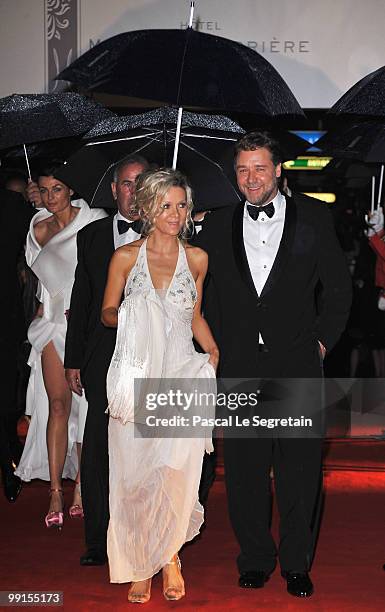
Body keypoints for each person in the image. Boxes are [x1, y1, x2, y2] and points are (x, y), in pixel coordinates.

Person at [194, 131, 352, 598]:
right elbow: (206, 296)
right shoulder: (217, 224)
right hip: (239, 364)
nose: (251, 178)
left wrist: (321, 344)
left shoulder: (315, 217)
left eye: (260, 167)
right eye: (242, 169)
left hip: (298, 362)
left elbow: (339, 291)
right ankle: (256, 559)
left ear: (279, 170)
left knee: (299, 471)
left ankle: (297, 563)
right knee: (244, 470)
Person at [101, 168, 218, 604]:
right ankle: (138, 562)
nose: (175, 213)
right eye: (166, 205)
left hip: (182, 374)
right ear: (148, 207)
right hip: (137, 374)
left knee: (175, 470)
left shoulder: (199, 258)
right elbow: (107, 313)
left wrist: (213, 352)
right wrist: (135, 309)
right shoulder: (126, 257)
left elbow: (195, 316)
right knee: (134, 473)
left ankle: (169, 555)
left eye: (181, 204)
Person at [64, 155, 149, 566]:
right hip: (101, 356)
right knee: (97, 447)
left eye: (141, 182)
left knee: (143, 448)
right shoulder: (93, 236)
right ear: (114, 190)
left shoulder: (166, 235)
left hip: (151, 357)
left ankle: (141, 532)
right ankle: (97, 538)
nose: (133, 191)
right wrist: (73, 357)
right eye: (127, 183)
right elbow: (81, 299)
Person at [15, 168, 107, 528]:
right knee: (57, 405)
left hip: (85, 324)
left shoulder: (93, 219)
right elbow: (41, 281)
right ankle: (55, 490)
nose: (51, 196)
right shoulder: (36, 227)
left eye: (57, 189)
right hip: (53, 323)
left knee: (86, 412)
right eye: (44, 190)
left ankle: (83, 488)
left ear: (71, 189)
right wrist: (43, 305)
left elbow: (102, 269)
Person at [0, 188, 34, 502]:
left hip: (6, 316)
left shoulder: (13, 206)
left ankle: (10, 451)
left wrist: (35, 199)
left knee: (8, 396)